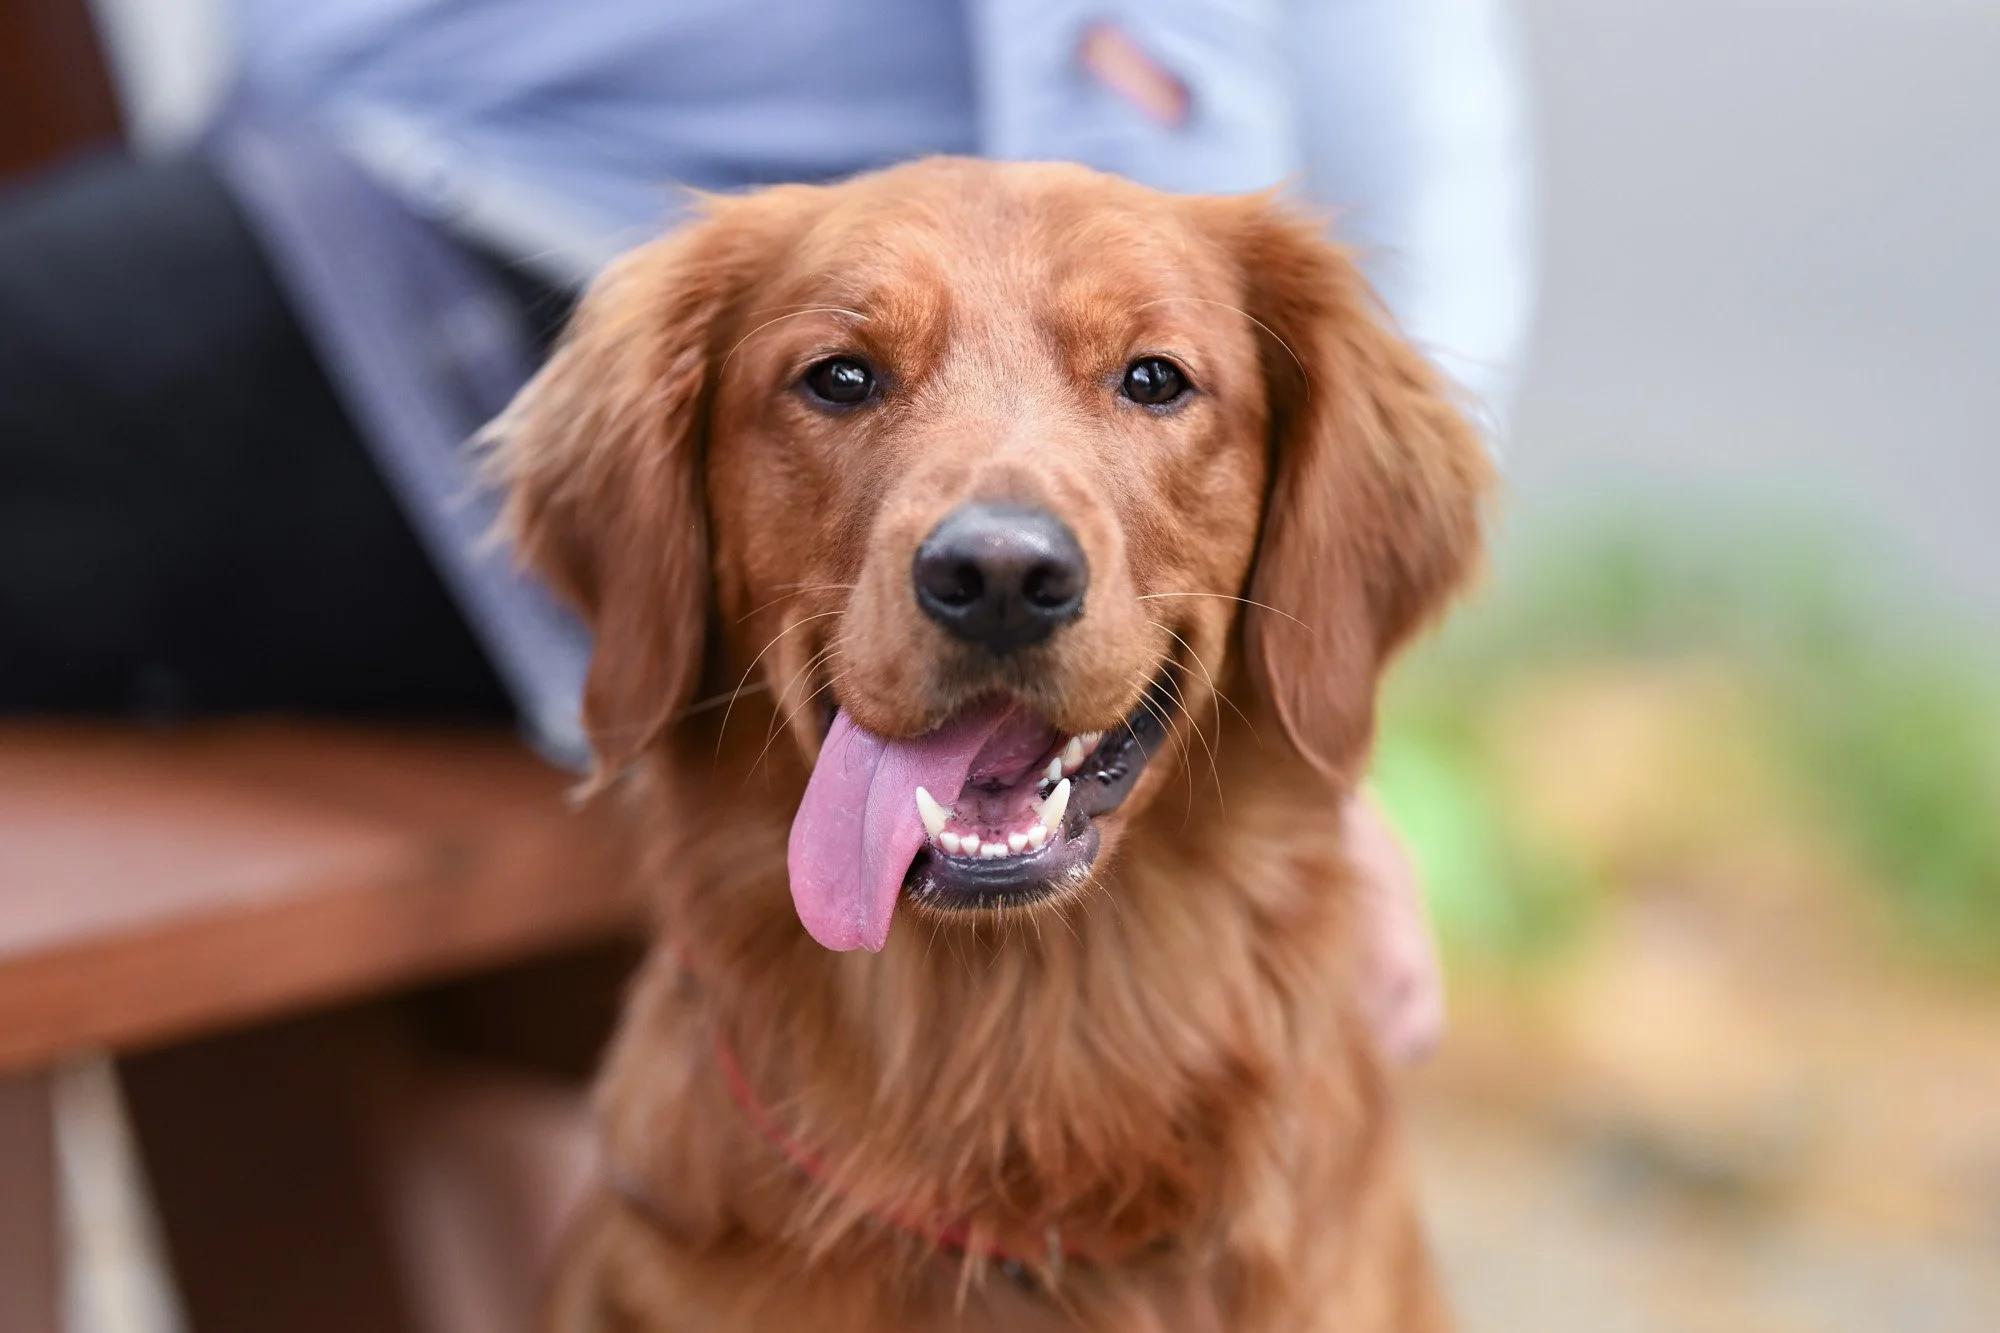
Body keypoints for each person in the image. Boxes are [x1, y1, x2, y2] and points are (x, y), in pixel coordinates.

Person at [0, 0, 1536, 1062]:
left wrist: (1141, 376)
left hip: (497, 233)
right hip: (335, 178)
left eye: (1151, 381)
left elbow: (1145, 70)